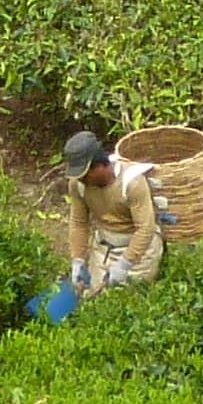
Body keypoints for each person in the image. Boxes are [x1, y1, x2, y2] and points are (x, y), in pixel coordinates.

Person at [55, 129, 163, 304]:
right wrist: (78, 260)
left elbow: (145, 228)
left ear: (100, 165)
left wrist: (125, 264)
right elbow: (79, 223)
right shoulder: (78, 185)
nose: (80, 179)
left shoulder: (132, 183)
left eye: (84, 174)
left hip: (139, 249)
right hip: (105, 246)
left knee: (126, 301)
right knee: (90, 300)